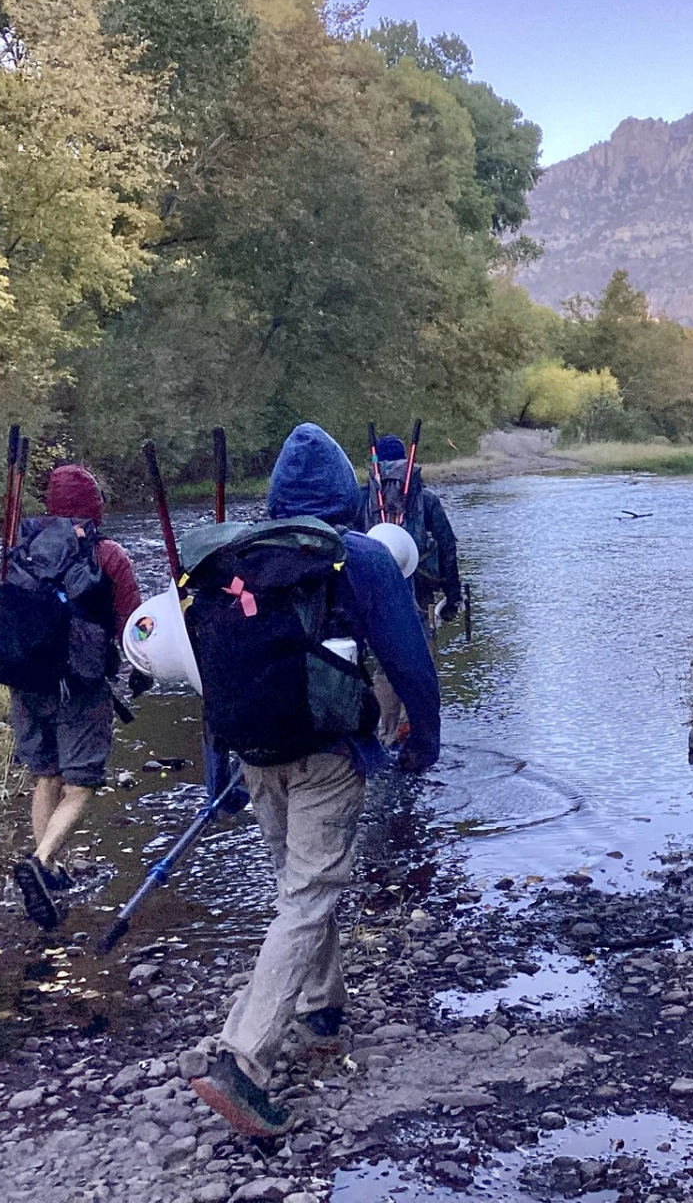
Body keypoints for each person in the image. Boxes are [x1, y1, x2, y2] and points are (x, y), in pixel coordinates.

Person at [190, 423, 440, 1138]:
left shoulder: (228, 558)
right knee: (307, 896)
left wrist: (219, 773)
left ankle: (321, 1007)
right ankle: (242, 1059)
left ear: (274, 495)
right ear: (345, 495)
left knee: (297, 884)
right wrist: (424, 742)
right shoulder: (359, 557)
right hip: (332, 753)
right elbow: (410, 666)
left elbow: (210, 673)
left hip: (254, 748)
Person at [6, 465, 141, 930]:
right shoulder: (109, 555)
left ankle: (51, 872)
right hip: (80, 686)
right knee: (79, 785)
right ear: (94, 506)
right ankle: (41, 862)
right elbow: (132, 626)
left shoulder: (19, 552)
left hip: (27, 680)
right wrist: (141, 671)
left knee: (46, 777)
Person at [360, 434, 463, 631]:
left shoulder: (361, 498)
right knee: (420, 642)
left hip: (372, 589)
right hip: (420, 584)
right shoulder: (427, 499)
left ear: (376, 461)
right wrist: (453, 596)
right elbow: (447, 547)